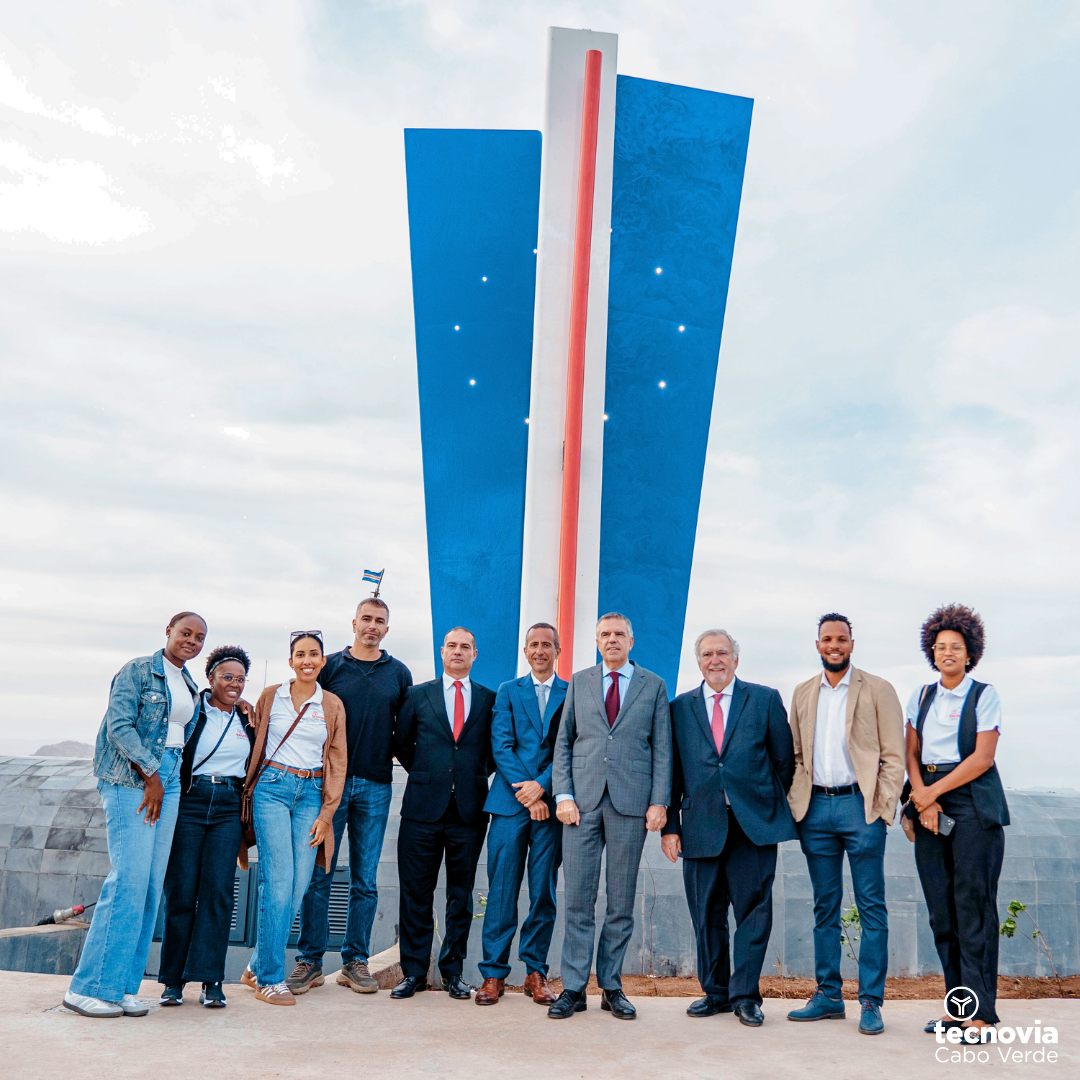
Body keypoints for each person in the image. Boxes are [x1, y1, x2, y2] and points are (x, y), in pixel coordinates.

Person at [63, 612, 207, 1018]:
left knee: (148, 886)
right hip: (134, 780)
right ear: (168, 632)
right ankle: (86, 987)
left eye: (198, 638)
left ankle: (120, 987)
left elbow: (183, 728)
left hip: (170, 778)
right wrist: (151, 774)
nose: (191, 641)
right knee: (127, 880)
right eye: (185, 633)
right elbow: (119, 726)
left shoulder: (187, 681)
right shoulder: (138, 671)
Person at [661, 629, 796, 1028]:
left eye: (722, 653)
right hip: (699, 825)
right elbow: (672, 772)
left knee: (753, 913)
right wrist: (670, 825)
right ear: (698, 662)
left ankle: (745, 996)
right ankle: (716, 992)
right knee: (706, 913)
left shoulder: (765, 699)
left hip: (752, 826)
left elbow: (783, 761)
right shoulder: (680, 708)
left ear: (736, 658)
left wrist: (763, 804)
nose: (715, 660)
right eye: (707, 654)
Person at [784, 615, 905, 1035]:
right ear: (817, 644)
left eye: (841, 639)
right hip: (816, 811)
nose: (834, 645)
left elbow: (894, 755)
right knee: (825, 907)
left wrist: (882, 807)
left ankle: (870, 1001)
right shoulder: (803, 693)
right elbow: (797, 755)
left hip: (861, 808)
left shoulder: (877, 689)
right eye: (827, 639)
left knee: (871, 907)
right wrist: (799, 804)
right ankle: (828, 996)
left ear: (852, 643)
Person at [549, 612, 672, 1022]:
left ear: (631, 641)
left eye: (619, 634)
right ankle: (573, 988)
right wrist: (563, 794)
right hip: (580, 805)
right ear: (596, 641)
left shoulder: (653, 686)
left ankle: (612, 986)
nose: (612, 640)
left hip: (630, 804)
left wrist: (659, 801)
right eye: (605, 634)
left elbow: (662, 749)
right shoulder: (580, 683)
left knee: (620, 900)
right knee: (578, 900)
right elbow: (564, 741)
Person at [288, 598, 412, 995]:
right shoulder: (333, 667)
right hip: (330, 789)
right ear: (354, 623)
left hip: (376, 786)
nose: (372, 626)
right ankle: (309, 960)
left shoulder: (399, 673)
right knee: (317, 875)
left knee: (365, 880)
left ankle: (354, 960)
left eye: (380, 621)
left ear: (387, 629)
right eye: (366, 619)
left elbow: (406, 729)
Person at [906, 604, 1007, 1032]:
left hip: (972, 804)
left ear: (970, 653)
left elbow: (983, 758)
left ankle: (981, 1014)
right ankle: (958, 1009)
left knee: (973, 908)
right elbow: (911, 752)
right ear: (932, 651)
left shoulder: (984, 695)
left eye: (956, 647)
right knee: (941, 913)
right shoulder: (921, 695)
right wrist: (922, 801)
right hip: (929, 800)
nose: (947, 652)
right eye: (940, 646)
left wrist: (930, 794)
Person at [239, 633, 347, 1005]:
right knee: (279, 881)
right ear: (290, 661)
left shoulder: (331, 704)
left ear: (322, 661)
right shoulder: (272, 696)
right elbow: (254, 735)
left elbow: (337, 761)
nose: (307, 660)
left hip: (311, 795)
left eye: (313, 654)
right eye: (300, 654)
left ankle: (254, 965)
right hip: (271, 788)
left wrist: (327, 812)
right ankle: (270, 978)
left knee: (299, 887)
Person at [391, 627, 496, 1000]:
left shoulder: (489, 699)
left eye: (465, 646)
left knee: (460, 895)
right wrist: (427, 775)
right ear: (442, 651)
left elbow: (494, 751)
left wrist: (468, 777)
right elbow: (402, 742)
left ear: (474, 654)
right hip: (422, 808)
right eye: (452, 645)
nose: (458, 651)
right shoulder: (418, 695)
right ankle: (414, 972)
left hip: (468, 812)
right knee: (415, 892)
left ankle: (452, 971)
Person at [475, 622, 567, 1006]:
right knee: (501, 892)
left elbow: (568, 746)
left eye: (547, 644)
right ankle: (493, 975)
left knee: (543, 892)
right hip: (511, 805)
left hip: (550, 806)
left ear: (557, 650)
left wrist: (543, 786)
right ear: (525, 651)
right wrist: (529, 794)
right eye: (534, 644)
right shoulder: (508, 691)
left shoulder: (572, 691)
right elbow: (501, 745)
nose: (540, 650)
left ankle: (535, 972)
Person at [159, 645, 256, 1008]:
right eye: (227, 677)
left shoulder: (249, 718)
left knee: (218, 893)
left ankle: (211, 980)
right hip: (191, 800)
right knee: (181, 891)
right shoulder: (193, 710)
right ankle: (172, 981)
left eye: (241, 679)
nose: (235, 684)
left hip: (229, 805)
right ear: (210, 678)